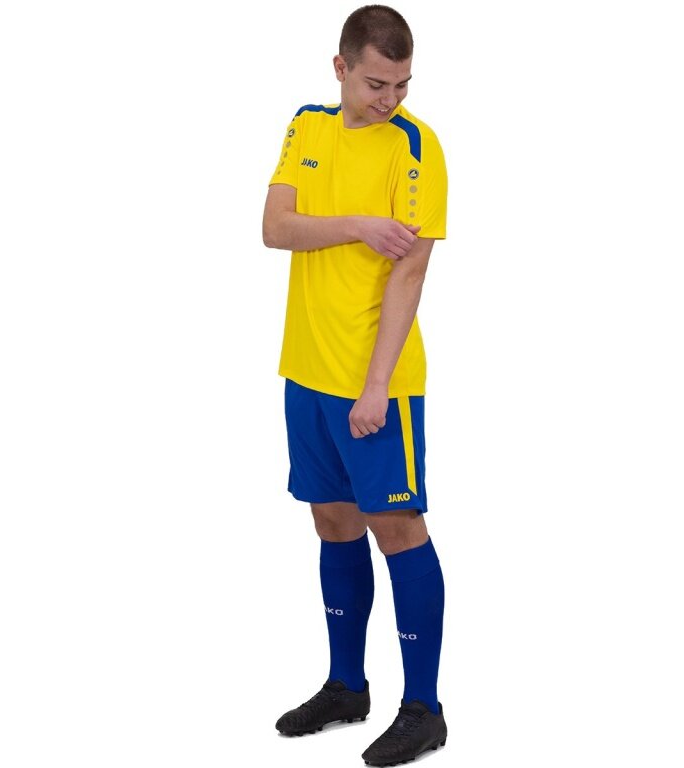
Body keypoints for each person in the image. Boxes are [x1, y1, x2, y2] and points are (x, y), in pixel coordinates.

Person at [262, 5, 448, 765]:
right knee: (333, 523)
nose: (390, 99)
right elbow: (275, 228)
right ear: (341, 69)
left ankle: (424, 708)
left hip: (377, 384)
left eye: (403, 85)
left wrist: (375, 388)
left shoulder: (416, 147)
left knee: (397, 528)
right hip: (306, 371)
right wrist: (360, 225)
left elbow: (411, 275)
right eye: (377, 84)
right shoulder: (306, 127)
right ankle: (346, 685)